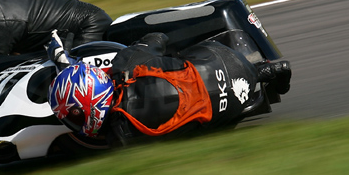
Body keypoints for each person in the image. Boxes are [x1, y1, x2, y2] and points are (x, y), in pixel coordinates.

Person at [46, 30, 291, 147]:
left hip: (231, 107)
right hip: (225, 58)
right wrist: (140, 48)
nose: (74, 120)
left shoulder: (119, 134)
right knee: (172, 56)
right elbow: (157, 37)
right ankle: (265, 71)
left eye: (75, 114)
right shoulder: (126, 64)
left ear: (95, 102)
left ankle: (264, 74)